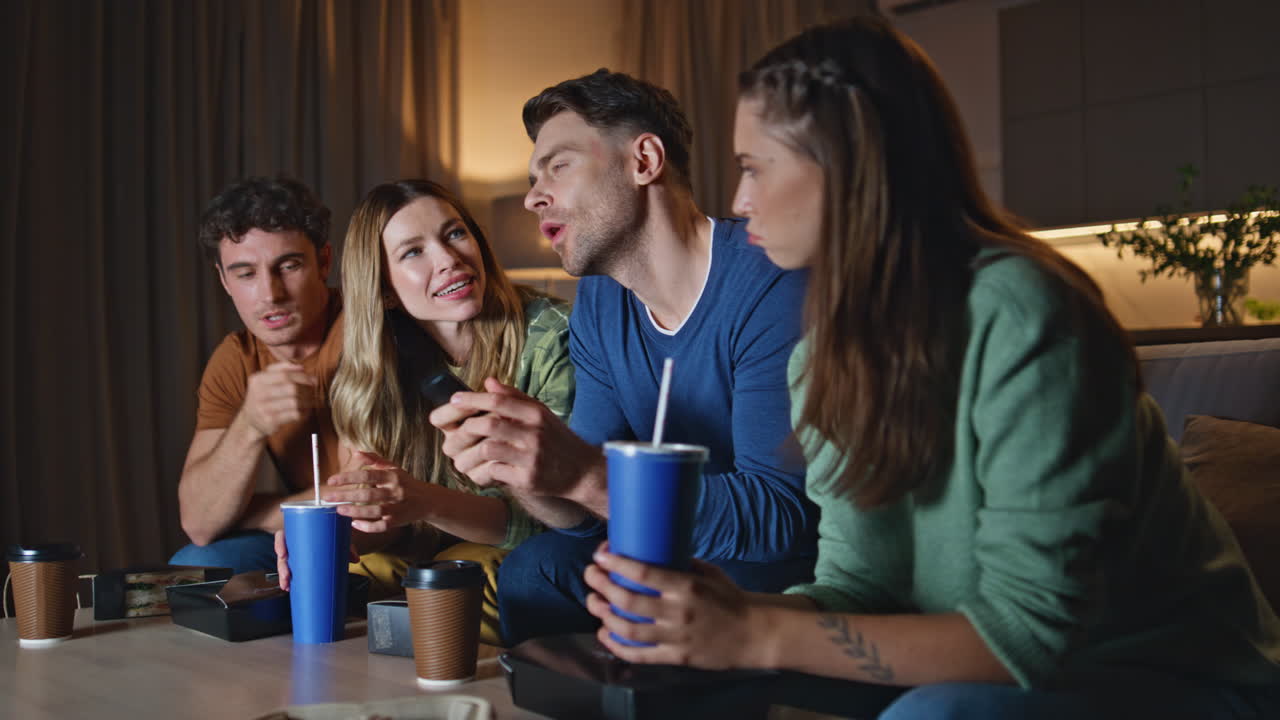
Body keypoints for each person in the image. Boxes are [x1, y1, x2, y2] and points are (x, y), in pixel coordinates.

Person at [581, 16, 1280, 719]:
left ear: (846, 159)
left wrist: (756, 633)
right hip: (996, 675)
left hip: (1182, 679)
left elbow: (1030, 639)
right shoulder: (829, 352)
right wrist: (713, 616)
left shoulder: (1022, 309)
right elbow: (860, 588)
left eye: (754, 167)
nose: (738, 202)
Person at [429, 70, 818, 647]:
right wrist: (523, 468)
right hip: (670, 546)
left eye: (558, 166)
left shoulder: (770, 283)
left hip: (769, 561)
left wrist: (586, 476)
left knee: (729, 575)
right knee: (535, 569)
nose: (534, 196)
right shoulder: (600, 304)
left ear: (644, 160)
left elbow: (780, 518)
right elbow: (580, 514)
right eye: (534, 178)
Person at [274, 179, 574, 646]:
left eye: (455, 234)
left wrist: (424, 500)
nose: (449, 259)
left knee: (477, 577)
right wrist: (338, 529)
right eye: (413, 252)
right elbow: (376, 520)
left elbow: (557, 521)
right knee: (361, 572)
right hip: (432, 552)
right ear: (385, 290)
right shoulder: (373, 373)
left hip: (537, 552)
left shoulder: (550, 335)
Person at [171, 176, 342, 575]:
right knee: (195, 568)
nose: (270, 294)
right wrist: (250, 425)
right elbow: (198, 522)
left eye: (289, 265)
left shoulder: (367, 329)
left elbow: (361, 506)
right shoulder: (237, 358)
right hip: (302, 534)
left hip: (398, 537)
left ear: (324, 262)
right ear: (224, 281)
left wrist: (248, 514)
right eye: (246, 273)